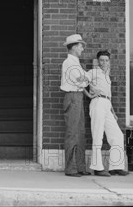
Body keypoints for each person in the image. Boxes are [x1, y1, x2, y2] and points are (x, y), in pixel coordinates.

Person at [84, 50, 128, 176]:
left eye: (106, 60)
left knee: (118, 135)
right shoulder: (93, 72)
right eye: (102, 60)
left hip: (107, 105)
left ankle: (115, 166)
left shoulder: (106, 76)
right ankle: (97, 168)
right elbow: (80, 83)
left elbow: (108, 96)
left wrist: (113, 111)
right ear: (98, 61)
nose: (104, 62)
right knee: (97, 136)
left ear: (109, 62)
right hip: (97, 103)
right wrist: (89, 95)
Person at [60, 34, 91, 177]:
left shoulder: (75, 62)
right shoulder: (69, 63)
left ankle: (80, 167)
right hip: (72, 96)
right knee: (73, 133)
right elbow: (83, 81)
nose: (82, 48)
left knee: (80, 133)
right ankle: (71, 168)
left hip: (77, 96)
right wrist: (86, 79)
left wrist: (86, 79)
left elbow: (85, 78)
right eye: (80, 46)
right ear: (73, 47)